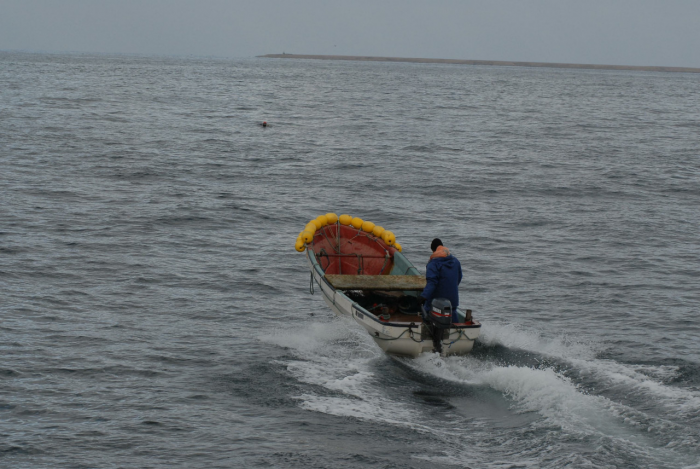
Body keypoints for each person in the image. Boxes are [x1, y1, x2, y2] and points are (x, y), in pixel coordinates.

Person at [419, 238, 462, 323]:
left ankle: (427, 330)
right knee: (453, 313)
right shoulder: (456, 261)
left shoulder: (433, 264)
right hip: (453, 300)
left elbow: (432, 283)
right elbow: (459, 278)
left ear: (433, 250)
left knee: (425, 310)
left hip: (437, 299)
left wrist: (423, 297)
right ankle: (457, 327)